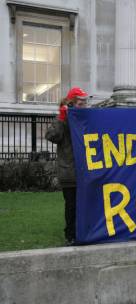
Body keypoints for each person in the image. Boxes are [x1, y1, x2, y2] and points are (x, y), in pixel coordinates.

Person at [45, 87, 89, 245]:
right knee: (71, 205)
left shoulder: (87, 118)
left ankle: (83, 232)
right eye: (80, 102)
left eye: (85, 102)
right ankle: (70, 235)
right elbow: (51, 136)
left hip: (86, 171)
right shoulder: (63, 120)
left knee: (85, 204)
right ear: (72, 103)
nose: (84, 105)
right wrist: (62, 118)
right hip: (70, 171)